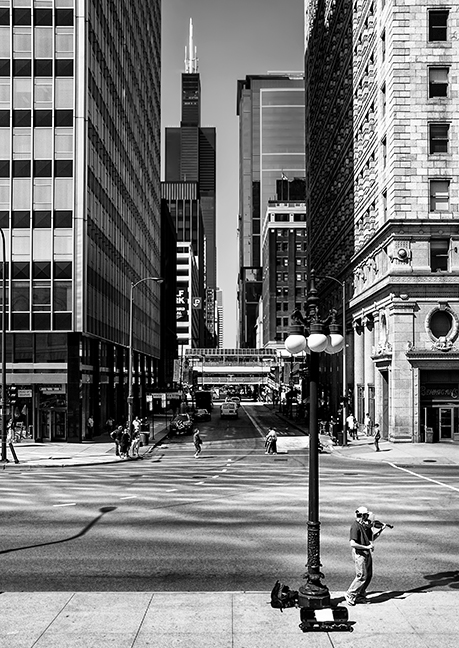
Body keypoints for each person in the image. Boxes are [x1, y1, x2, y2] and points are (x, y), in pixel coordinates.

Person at [345, 506, 386, 606]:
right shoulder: (355, 527)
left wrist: (381, 530)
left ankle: (360, 595)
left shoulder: (365, 526)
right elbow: (353, 543)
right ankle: (350, 594)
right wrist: (367, 547)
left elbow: (371, 538)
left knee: (368, 575)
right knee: (361, 576)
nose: (368, 517)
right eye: (366, 515)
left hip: (366, 553)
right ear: (362, 516)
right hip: (360, 554)